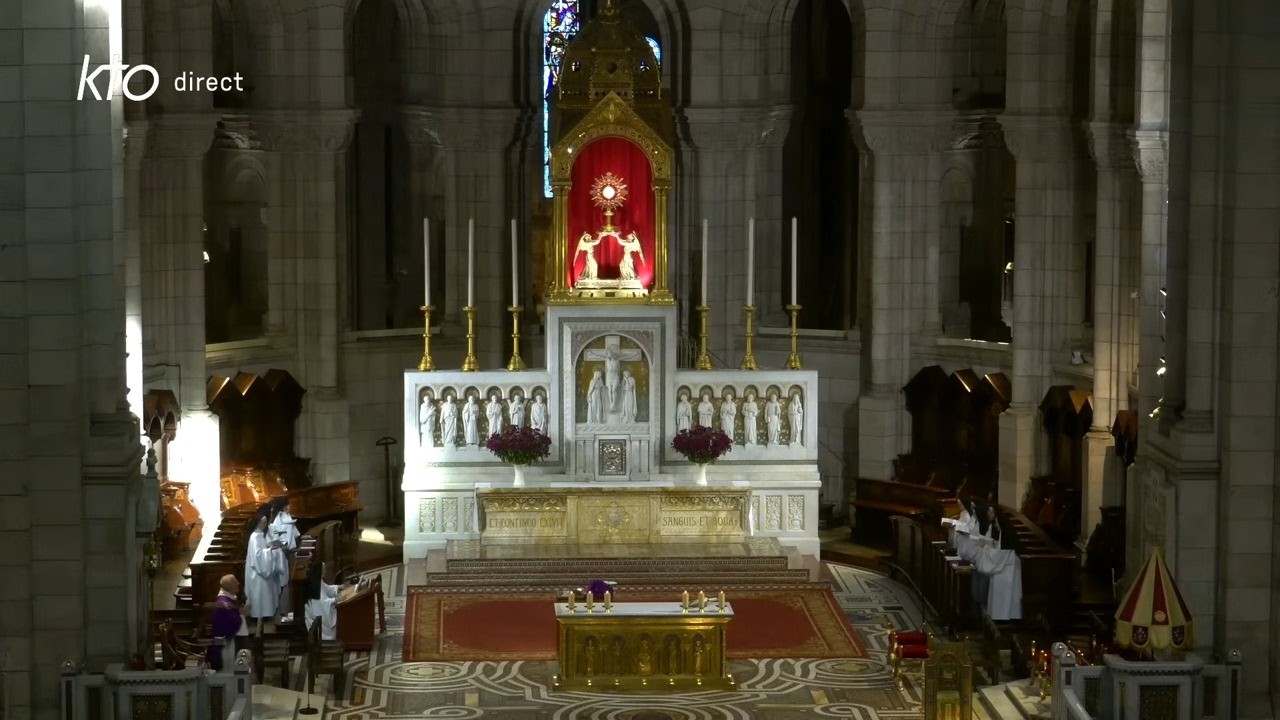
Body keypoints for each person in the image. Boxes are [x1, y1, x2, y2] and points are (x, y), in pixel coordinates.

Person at [244, 511, 288, 627]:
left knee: (266, 594)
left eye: (265, 522)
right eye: (262, 522)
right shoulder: (255, 536)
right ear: (257, 522)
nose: (264, 525)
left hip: (262, 569)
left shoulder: (259, 535)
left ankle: (266, 614)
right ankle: (260, 615)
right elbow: (258, 556)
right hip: (258, 572)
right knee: (260, 594)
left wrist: (269, 548)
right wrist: (270, 550)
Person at [209, 574, 249, 671]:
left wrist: (240, 612)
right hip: (227, 642)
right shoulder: (224, 604)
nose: (238, 583)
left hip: (232, 637)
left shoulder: (228, 598)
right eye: (236, 582)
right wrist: (241, 615)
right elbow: (233, 621)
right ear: (230, 587)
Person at [303, 562, 349, 642]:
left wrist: (338, 587)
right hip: (319, 613)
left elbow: (327, 589)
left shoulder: (318, 579)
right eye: (323, 569)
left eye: (325, 569)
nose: (325, 571)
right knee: (340, 613)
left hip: (323, 609)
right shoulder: (314, 585)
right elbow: (323, 603)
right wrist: (336, 600)